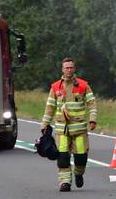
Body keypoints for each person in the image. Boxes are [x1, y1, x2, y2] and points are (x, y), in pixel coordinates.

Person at [41, 58, 97, 192]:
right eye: (66, 68)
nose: (69, 70)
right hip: (62, 130)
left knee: (81, 157)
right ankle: (65, 182)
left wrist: (93, 119)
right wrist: (44, 124)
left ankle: (78, 174)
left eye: (71, 67)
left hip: (79, 130)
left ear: (74, 69)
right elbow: (50, 107)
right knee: (63, 158)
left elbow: (92, 103)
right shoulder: (55, 87)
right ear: (62, 70)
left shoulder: (83, 85)